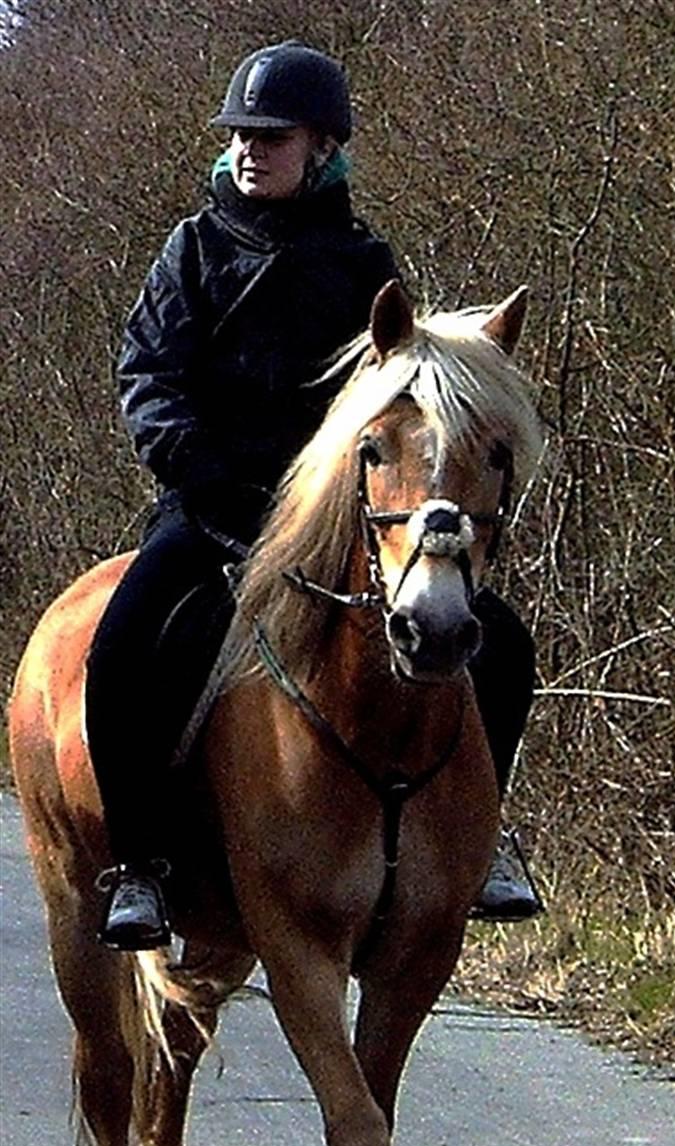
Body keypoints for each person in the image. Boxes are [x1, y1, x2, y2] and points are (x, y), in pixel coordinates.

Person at [85, 39, 541, 951]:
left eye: (273, 134)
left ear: (323, 146)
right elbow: (147, 376)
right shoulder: (192, 251)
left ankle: (485, 841)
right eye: (241, 134)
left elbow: (405, 392)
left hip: (343, 516)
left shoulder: (366, 264)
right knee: (130, 640)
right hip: (212, 508)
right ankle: (139, 864)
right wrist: (201, 475)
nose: (250, 148)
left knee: (502, 646)